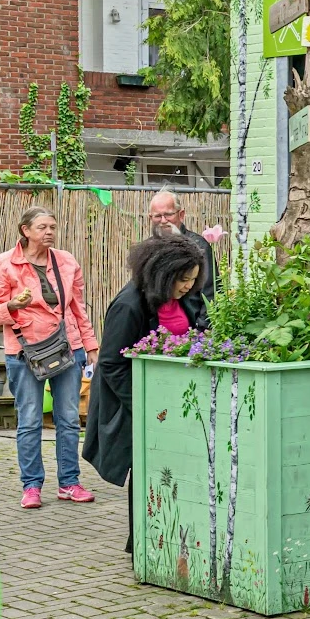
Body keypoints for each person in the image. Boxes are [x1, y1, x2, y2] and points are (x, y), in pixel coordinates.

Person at [85, 234, 204, 548]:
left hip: (169, 402)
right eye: (183, 280)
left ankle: (161, 537)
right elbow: (111, 364)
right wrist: (143, 404)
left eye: (193, 279)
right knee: (144, 469)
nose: (189, 286)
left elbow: (195, 328)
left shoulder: (184, 297)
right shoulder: (128, 306)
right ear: (163, 274)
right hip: (134, 402)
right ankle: (141, 543)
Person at [0, 206, 101, 508]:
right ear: (25, 230)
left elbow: (78, 307)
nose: (49, 232)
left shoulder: (66, 262)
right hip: (25, 351)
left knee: (68, 418)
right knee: (30, 420)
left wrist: (90, 345)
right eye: (42, 227)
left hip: (68, 346)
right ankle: (31, 486)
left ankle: (70, 483)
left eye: (52, 226)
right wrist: (12, 305)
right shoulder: (4, 265)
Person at [148, 186, 218, 304]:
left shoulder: (198, 247)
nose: (163, 220)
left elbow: (210, 294)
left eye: (168, 214)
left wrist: (200, 323)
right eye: (158, 216)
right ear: (150, 218)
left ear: (181, 214)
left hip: (192, 319)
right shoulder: (148, 249)